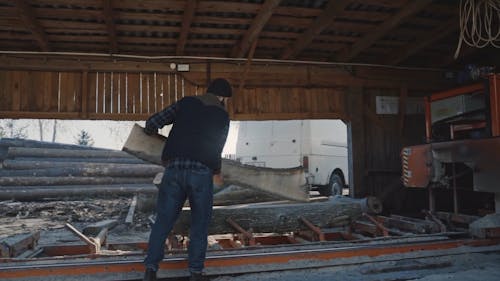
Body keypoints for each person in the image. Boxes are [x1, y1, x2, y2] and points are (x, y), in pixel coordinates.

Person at [142, 78, 232, 281]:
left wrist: (150, 131)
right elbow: (218, 147)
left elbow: (153, 122)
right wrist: (216, 170)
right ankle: (196, 273)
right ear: (222, 97)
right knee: (199, 224)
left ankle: (150, 269)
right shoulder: (223, 116)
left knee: (163, 222)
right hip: (201, 173)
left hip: (174, 169)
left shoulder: (186, 102)